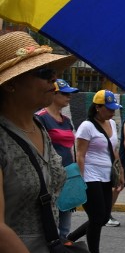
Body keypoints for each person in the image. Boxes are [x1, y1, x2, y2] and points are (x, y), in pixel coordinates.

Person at [0, 31, 89, 253]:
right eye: (44, 73)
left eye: (54, 72)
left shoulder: (39, 127)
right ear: (11, 83)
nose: (54, 80)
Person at [69, 90, 123, 253]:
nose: (112, 112)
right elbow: (80, 155)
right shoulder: (87, 126)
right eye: (108, 108)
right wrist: (80, 180)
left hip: (107, 175)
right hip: (90, 176)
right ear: (98, 107)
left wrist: (120, 171)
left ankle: (70, 239)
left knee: (104, 216)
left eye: (114, 108)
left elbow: (114, 151)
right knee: (97, 217)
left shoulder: (112, 124)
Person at [37, 78, 80, 239]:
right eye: (64, 94)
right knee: (51, 220)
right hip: (50, 176)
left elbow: (71, 148)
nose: (69, 97)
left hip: (68, 174)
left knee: (65, 223)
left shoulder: (67, 121)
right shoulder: (41, 118)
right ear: (53, 94)